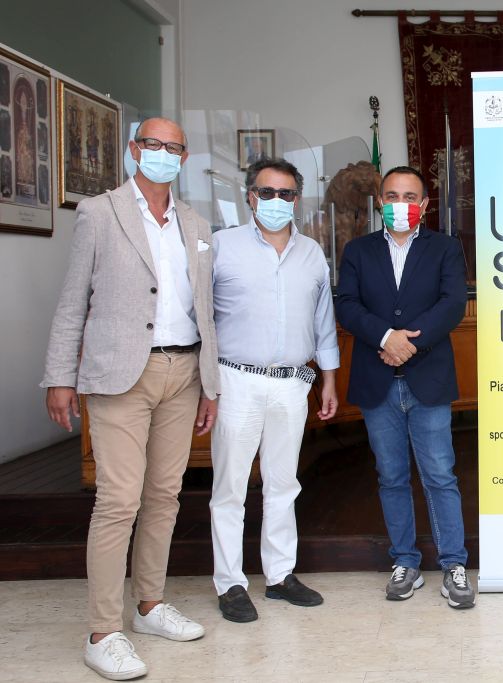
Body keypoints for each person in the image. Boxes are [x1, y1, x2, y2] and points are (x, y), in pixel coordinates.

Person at [42, 117, 219, 681]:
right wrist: (59, 376)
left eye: (173, 147)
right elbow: (73, 300)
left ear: (184, 159)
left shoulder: (196, 223)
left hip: (183, 370)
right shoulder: (100, 212)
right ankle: (102, 632)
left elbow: (205, 310)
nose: (162, 153)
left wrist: (210, 384)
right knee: (118, 500)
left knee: (165, 494)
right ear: (133, 150)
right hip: (120, 373)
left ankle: (149, 604)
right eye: (152, 144)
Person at [335, 165, 475, 609]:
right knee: (391, 476)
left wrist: (407, 344)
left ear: (425, 204)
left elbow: (452, 304)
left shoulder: (444, 248)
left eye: (410, 197)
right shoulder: (358, 250)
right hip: (377, 383)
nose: (401, 204)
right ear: (380, 202)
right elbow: (347, 305)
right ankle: (405, 561)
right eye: (392, 196)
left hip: (427, 379)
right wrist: (385, 338)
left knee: (440, 475)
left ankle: (454, 564)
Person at [209, 158, 339, 622]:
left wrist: (328, 379)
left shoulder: (312, 253)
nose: (276, 201)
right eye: (267, 192)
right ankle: (230, 584)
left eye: (286, 194)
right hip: (235, 380)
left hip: (291, 384)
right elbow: (201, 316)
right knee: (230, 487)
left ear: (296, 200)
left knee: (283, 483)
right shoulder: (222, 247)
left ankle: (280, 575)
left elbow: (324, 322)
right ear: (250, 196)